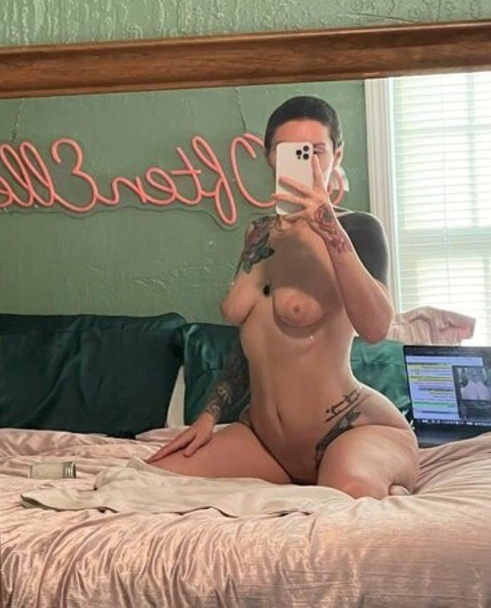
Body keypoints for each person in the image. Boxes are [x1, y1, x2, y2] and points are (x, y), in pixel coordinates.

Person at [149, 96, 418, 499]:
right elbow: (253, 340)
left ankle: (381, 480)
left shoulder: (358, 229)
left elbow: (376, 327)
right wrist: (207, 417)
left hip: (348, 429)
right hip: (265, 441)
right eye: (288, 151)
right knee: (153, 480)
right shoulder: (258, 233)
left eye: (316, 151)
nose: (305, 162)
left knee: (344, 496)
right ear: (270, 157)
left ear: (337, 155)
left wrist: (328, 226)